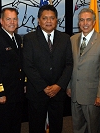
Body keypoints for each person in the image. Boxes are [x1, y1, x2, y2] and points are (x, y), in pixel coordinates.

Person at [22, 5, 73, 133]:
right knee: (36, 126)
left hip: (58, 93)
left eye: (52, 18)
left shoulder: (65, 38)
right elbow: (28, 66)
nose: (48, 21)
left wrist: (58, 86)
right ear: (39, 20)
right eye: (45, 18)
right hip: (37, 92)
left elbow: (69, 64)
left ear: (57, 20)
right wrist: (44, 87)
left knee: (57, 125)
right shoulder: (29, 38)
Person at [67, 8, 100, 133]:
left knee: (93, 128)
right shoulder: (72, 39)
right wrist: (69, 85)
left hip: (93, 96)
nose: (85, 23)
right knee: (77, 127)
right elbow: (71, 66)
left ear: (94, 22)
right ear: (78, 22)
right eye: (82, 20)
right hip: (75, 93)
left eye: (88, 20)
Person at [0, 7, 25, 133]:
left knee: (15, 126)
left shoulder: (18, 39)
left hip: (16, 93)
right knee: (3, 128)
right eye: (8, 19)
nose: (12, 22)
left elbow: (20, 64)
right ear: (1, 21)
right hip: (3, 95)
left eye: (14, 19)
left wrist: (24, 83)